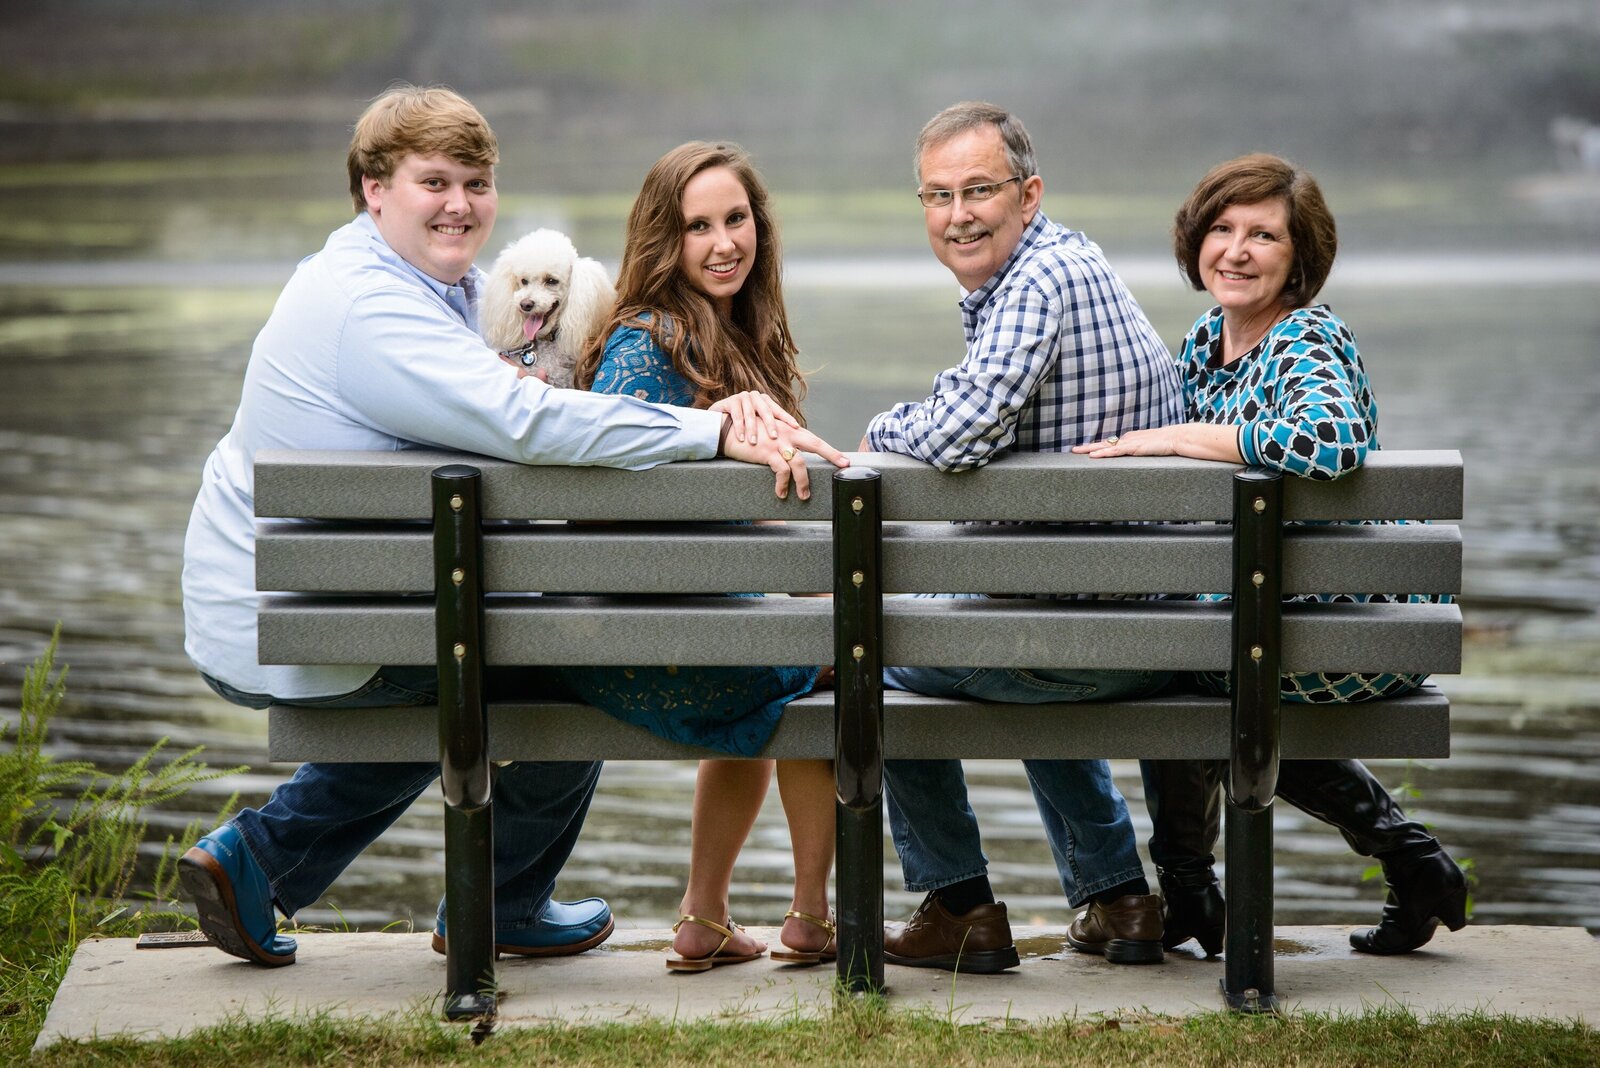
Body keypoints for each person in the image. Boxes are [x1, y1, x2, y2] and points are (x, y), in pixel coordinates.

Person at [176, 86, 847, 969]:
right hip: (301, 615)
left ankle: (430, 888)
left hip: (330, 596)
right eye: (434, 182)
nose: (461, 204)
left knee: (520, 648)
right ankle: (412, 883)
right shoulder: (371, 309)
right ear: (373, 189)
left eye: (477, 182)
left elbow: (512, 401)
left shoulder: (425, 288)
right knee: (554, 662)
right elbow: (525, 421)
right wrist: (711, 427)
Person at [1074, 152, 1469, 957]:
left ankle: (1196, 889)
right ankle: (1405, 863)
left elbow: (1332, 441)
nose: (1237, 250)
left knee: (1189, 674)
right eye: (1222, 229)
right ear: (1196, 243)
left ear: (1300, 258)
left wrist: (1183, 436)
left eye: (1264, 234)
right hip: (1269, 624)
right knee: (1198, 664)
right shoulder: (1200, 345)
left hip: (1353, 627)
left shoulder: (1308, 337)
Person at [861, 102, 1185, 972]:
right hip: (1147, 622)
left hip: (1086, 637)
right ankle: (1119, 898)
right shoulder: (1074, 262)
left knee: (863, 650)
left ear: (1029, 193)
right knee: (1021, 619)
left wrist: (873, 431)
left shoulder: (1036, 283)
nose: (957, 213)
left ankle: (958, 905)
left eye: (978, 190)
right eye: (937, 195)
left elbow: (959, 431)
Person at [559, 141, 837, 973]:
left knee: (780, 645)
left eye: (737, 219)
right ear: (662, 239)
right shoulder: (653, 342)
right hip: (640, 649)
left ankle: (704, 916)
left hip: (653, 635)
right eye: (698, 227)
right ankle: (814, 915)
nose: (724, 243)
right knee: (830, 657)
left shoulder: (704, 335)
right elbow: (614, 522)